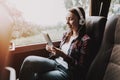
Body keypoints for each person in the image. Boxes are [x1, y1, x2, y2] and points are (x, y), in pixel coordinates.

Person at [19, 6, 90, 80]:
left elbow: (81, 68)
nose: (67, 22)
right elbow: (59, 53)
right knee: (28, 61)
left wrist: (63, 55)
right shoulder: (66, 35)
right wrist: (52, 50)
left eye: (71, 19)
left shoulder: (85, 40)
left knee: (39, 77)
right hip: (56, 62)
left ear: (81, 20)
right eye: (66, 19)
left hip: (68, 72)